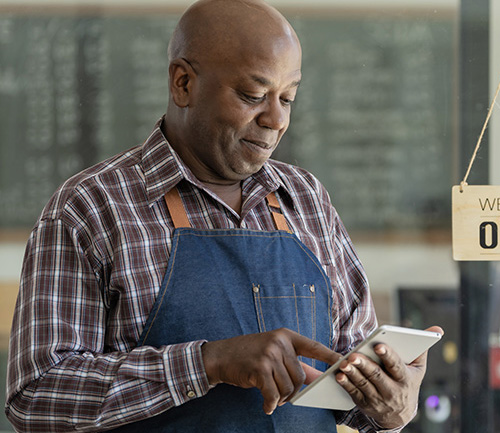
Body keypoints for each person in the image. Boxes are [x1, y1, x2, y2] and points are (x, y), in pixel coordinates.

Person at [4, 0, 441, 431]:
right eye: (253, 95)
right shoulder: (90, 209)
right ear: (183, 83)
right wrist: (207, 363)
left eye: (287, 98)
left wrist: (390, 406)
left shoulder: (306, 199)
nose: (276, 119)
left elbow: (349, 379)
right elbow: (36, 398)